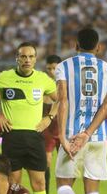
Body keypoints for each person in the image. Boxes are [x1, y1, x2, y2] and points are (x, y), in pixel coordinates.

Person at [0, 42, 58, 194]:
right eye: (23, 56)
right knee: (13, 184)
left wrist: (49, 117)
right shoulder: (5, 77)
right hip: (12, 136)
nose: (27, 60)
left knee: (40, 183)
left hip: (35, 136)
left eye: (31, 57)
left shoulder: (43, 79)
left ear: (35, 59)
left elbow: (60, 99)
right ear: (17, 59)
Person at [55, 28, 107, 194]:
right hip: (97, 136)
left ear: (76, 46)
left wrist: (62, 135)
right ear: (98, 47)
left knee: (64, 186)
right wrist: (88, 133)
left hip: (71, 135)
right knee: (92, 190)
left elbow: (63, 101)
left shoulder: (63, 67)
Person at [42, 55, 62, 194]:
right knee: (46, 161)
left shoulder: (67, 83)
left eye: (54, 68)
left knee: (64, 165)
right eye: (49, 68)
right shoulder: (42, 83)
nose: (51, 71)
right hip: (48, 128)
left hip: (62, 128)